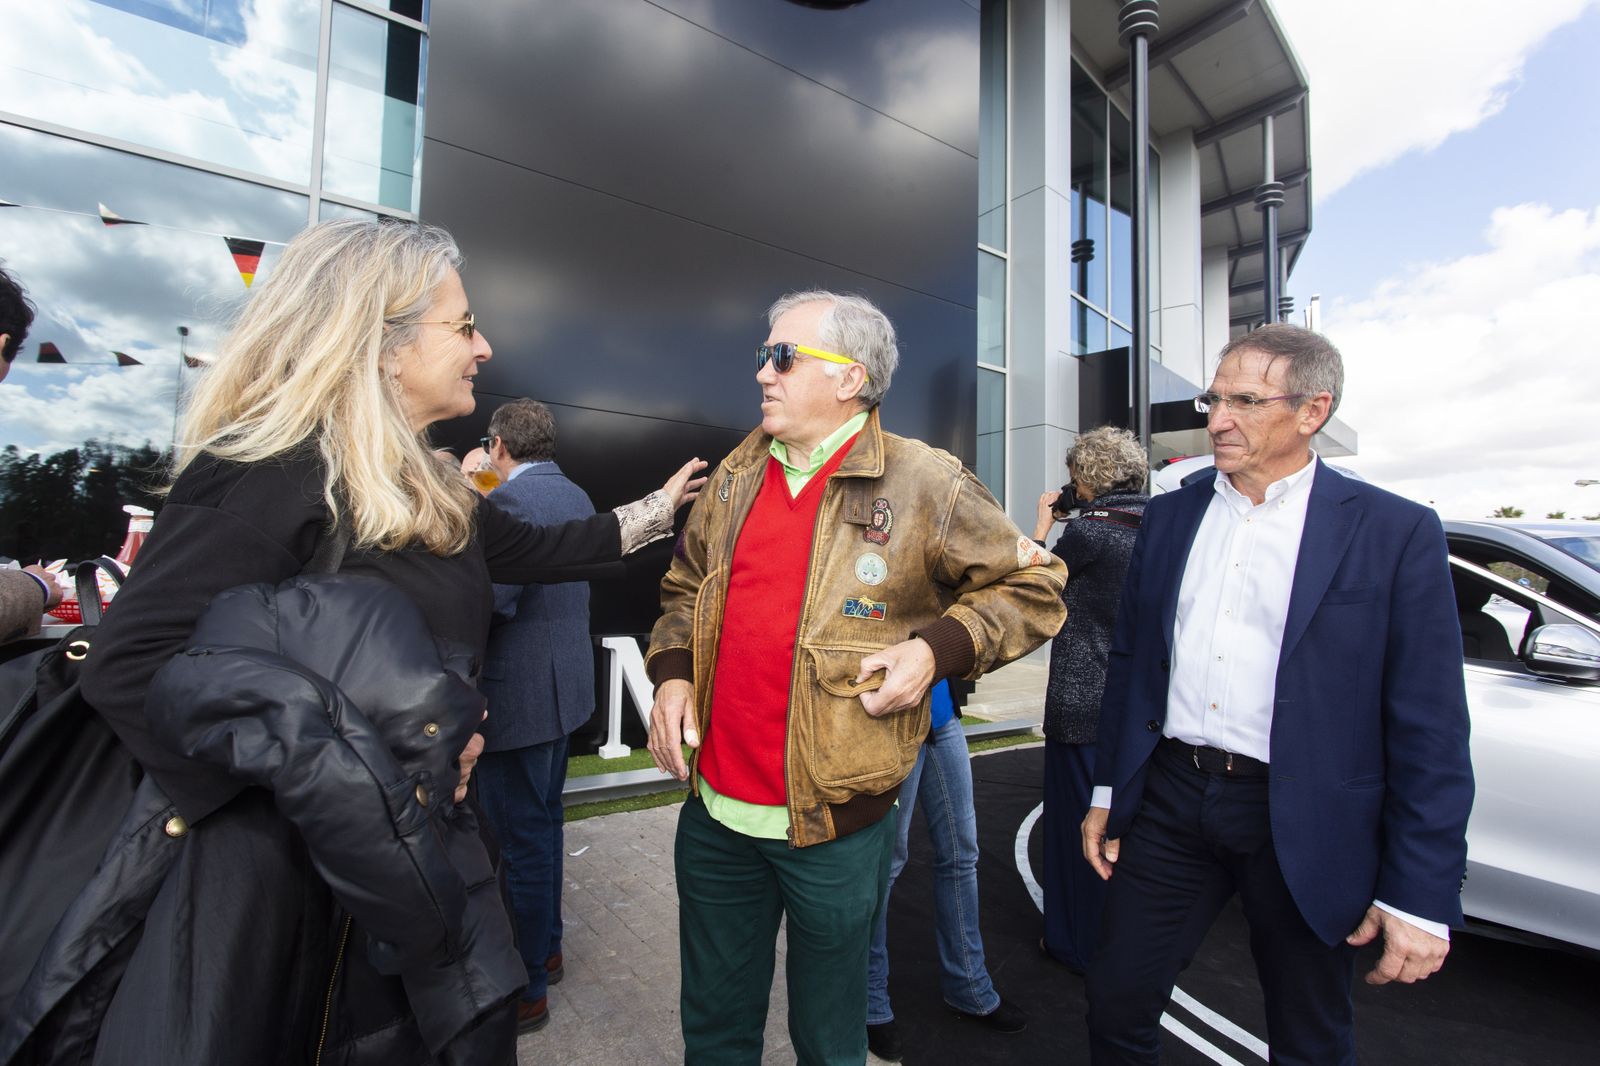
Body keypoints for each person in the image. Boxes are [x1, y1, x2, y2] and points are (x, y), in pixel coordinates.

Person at [29, 219, 704, 1065]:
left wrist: (658, 510)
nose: (485, 347)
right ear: (382, 344)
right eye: (463, 326)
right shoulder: (266, 470)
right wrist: (372, 768)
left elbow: (540, 548)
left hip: (408, 872)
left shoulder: (418, 477)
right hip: (290, 896)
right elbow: (133, 670)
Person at [645, 289, 1066, 1064]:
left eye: (782, 357)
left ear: (849, 379)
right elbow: (683, 590)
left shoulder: (925, 482)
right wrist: (673, 676)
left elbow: (1036, 588)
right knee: (713, 1029)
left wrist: (935, 650)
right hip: (713, 817)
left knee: (831, 1039)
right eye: (764, 356)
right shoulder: (737, 473)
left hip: (835, 824)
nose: (762, 374)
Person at [1081, 324, 1474, 1064]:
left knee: (1308, 1037)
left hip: (1303, 814)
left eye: (1245, 401)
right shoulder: (1168, 518)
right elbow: (1134, 663)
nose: (1218, 419)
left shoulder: (1393, 533)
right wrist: (1109, 788)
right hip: (1172, 798)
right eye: (1214, 398)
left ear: (1312, 411)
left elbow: (1431, 727)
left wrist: (1420, 893)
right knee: (1115, 1003)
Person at [475, 398, 596, 1033]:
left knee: (520, 842)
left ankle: (527, 988)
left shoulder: (507, 505)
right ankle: (545, 950)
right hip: (562, 694)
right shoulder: (574, 495)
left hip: (518, 703)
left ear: (499, 445)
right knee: (543, 829)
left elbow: (492, 604)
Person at [1029, 426, 1150, 973]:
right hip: (1138, 713)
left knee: (1073, 830)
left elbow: (1031, 587)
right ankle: (1119, 942)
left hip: (1080, 710)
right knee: (1123, 833)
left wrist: (1043, 526)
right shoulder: (1159, 525)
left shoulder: (1091, 533)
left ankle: (1071, 942)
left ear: (1087, 478)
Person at [863, 679, 1024, 1064]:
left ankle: (968, 984)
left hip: (942, 718)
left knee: (961, 854)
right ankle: (870, 1000)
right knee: (888, 862)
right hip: (894, 723)